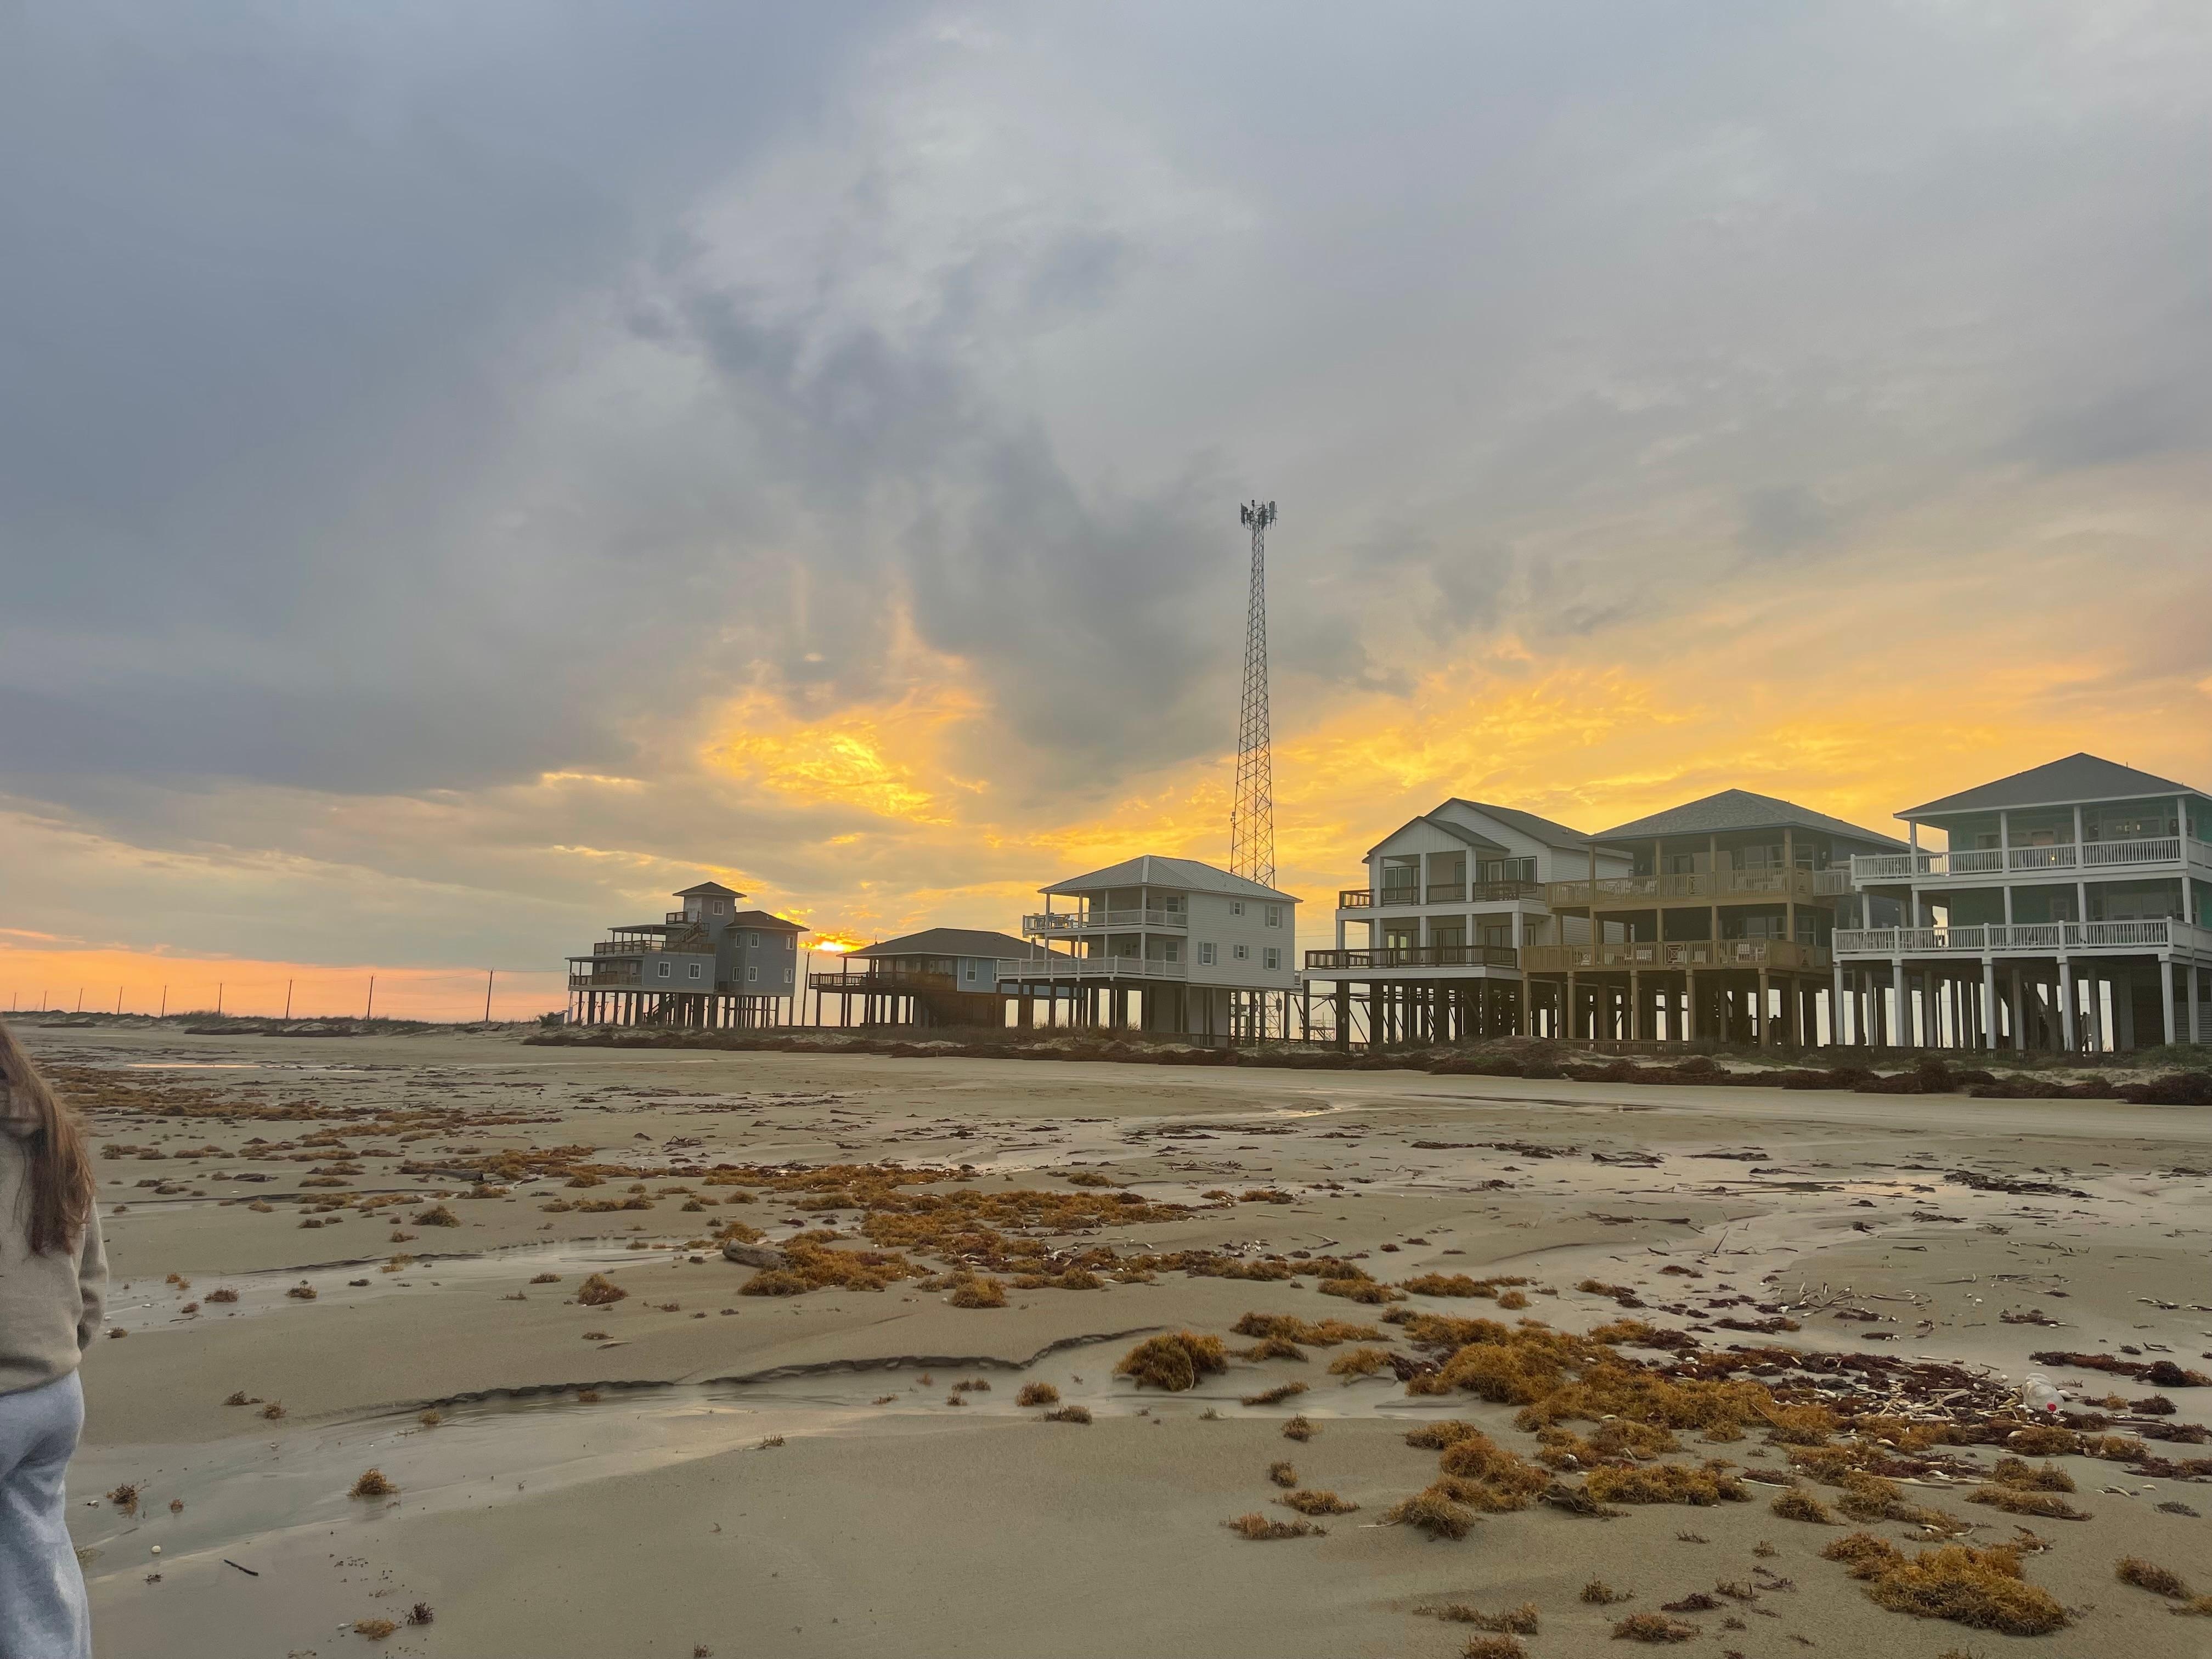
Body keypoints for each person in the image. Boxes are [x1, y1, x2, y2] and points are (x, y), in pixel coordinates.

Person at [0, 1015, 105, 1659]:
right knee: (35, 1564)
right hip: (55, 1392)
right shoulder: (53, 1135)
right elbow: (90, 1282)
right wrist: (58, 1353)